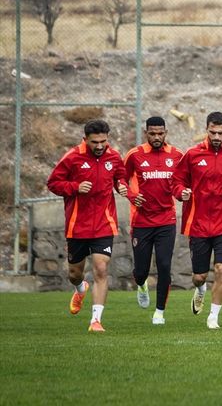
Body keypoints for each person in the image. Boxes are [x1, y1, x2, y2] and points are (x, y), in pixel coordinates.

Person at [171, 112, 222, 329]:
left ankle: (213, 317)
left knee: (221, 269)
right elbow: (176, 182)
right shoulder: (192, 154)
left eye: (220, 132)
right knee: (199, 276)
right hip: (198, 224)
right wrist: (182, 192)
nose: (216, 136)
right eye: (212, 132)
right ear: (206, 130)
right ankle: (200, 290)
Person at [48, 120, 128, 332]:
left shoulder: (114, 156)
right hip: (78, 226)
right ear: (85, 140)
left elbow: (121, 177)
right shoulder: (73, 157)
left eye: (103, 141)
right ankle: (80, 288)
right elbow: (53, 183)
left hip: (104, 223)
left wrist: (122, 187)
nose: (100, 146)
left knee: (101, 269)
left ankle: (96, 320)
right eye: (95, 142)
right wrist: (75, 187)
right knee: (75, 272)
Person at [123, 116, 184, 325]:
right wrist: (132, 196)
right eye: (152, 133)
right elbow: (120, 179)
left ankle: (159, 312)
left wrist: (181, 192)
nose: (157, 137)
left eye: (160, 133)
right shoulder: (135, 155)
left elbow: (183, 180)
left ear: (165, 133)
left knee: (164, 265)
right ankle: (141, 285)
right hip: (141, 221)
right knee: (141, 271)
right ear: (146, 133)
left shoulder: (176, 155)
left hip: (167, 220)